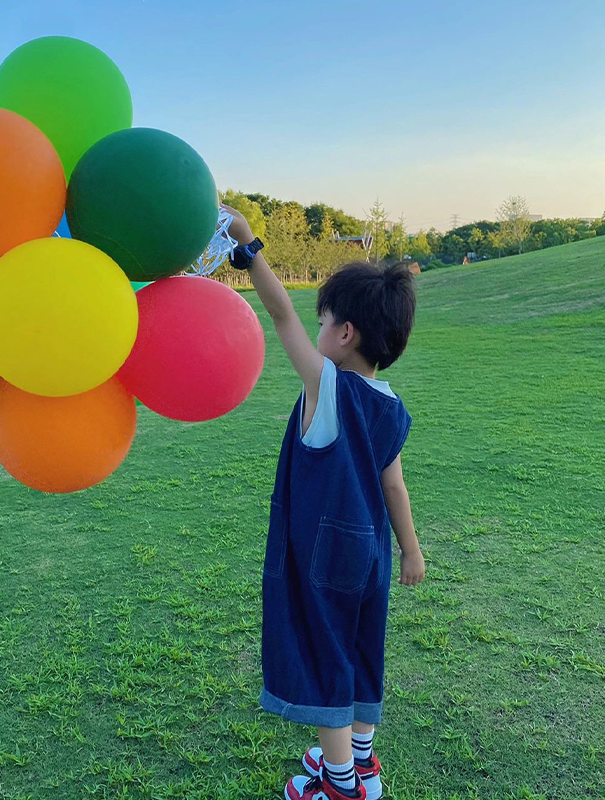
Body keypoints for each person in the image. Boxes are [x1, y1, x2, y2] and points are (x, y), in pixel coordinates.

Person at [223, 205, 426, 800]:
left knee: (322, 655)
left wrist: (247, 243)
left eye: (326, 318)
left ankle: (340, 786)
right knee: (360, 644)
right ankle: (361, 760)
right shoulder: (389, 405)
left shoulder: (327, 387)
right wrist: (412, 552)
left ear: (345, 335)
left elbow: (279, 312)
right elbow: (395, 486)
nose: (315, 328)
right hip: (372, 556)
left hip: (324, 557)